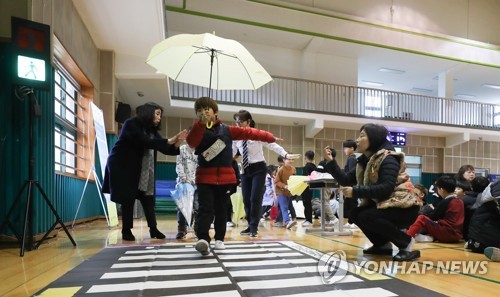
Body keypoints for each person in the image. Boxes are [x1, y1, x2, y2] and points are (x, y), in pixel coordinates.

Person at [186, 98, 280, 255]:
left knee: (222, 210)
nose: (204, 112)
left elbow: (249, 132)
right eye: (200, 110)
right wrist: (200, 124)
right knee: (205, 209)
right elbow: (191, 142)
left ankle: (220, 239)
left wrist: (269, 137)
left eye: (207, 109)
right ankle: (203, 239)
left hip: (225, 179)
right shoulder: (198, 129)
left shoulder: (227, 130)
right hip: (204, 178)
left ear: (215, 112)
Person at [324, 123, 421, 261]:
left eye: (362, 136)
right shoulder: (365, 161)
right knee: (356, 214)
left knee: (367, 215)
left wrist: (356, 191)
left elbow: (385, 189)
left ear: (374, 139)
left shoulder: (389, 159)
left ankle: (406, 243)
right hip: (387, 203)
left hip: (404, 207)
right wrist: (331, 162)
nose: (357, 140)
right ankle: (382, 245)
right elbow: (346, 180)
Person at [103, 102, 187, 241]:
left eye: (161, 115)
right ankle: (126, 230)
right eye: (157, 113)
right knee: (127, 199)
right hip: (123, 166)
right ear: (148, 112)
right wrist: (169, 140)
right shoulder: (131, 123)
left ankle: (153, 229)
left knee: (148, 198)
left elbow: (164, 147)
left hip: (142, 169)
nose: (160, 118)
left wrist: (177, 142)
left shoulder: (151, 131)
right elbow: (144, 141)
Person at [232, 110, 299, 237]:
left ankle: (254, 227)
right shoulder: (237, 137)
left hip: (258, 168)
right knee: (246, 199)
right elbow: (232, 152)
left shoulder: (256, 135)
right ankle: (249, 224)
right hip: (245, 170)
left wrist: (285, 154)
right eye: (236, 122)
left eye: (241, 122)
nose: (238, 124)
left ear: (248, 122)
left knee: (255, 198)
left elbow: (272, 145)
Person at [406, 176, 464, 243]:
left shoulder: (446, 201)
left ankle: (407, 237)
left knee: (422, 218)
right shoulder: (460, 201)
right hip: (457, 235)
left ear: (441, 190)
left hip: (447, 234)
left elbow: (433, 217)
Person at [175, 143, 198, 239]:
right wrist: (183, 177)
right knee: (182, 207)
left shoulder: (200, 150)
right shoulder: (182, 149)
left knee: (197, 207)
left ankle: (197, 228)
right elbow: (179, 163)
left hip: (197, 183)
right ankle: (181, 229)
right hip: (184, 182)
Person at [275, 155, 298, 229]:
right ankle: (288, 222)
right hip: (281, 192)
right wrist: (284, 186)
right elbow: (276, 181)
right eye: (288, 159)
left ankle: (279, 221)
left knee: (285, 207)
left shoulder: (293, 169)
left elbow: (294, 179)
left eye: (292, 159)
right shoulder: (281, 170)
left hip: (289, 192)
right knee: (284, 207)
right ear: (284, 160)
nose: (290, 161)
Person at [301, 151, 316, 226]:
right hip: (311, 187)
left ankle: (309, 220)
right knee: (308, 203)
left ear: (305, 157)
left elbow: (305, 178)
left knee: (306, 203)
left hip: (306, 187)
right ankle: (308, 219)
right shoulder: (314, 167)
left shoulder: (307, 167)